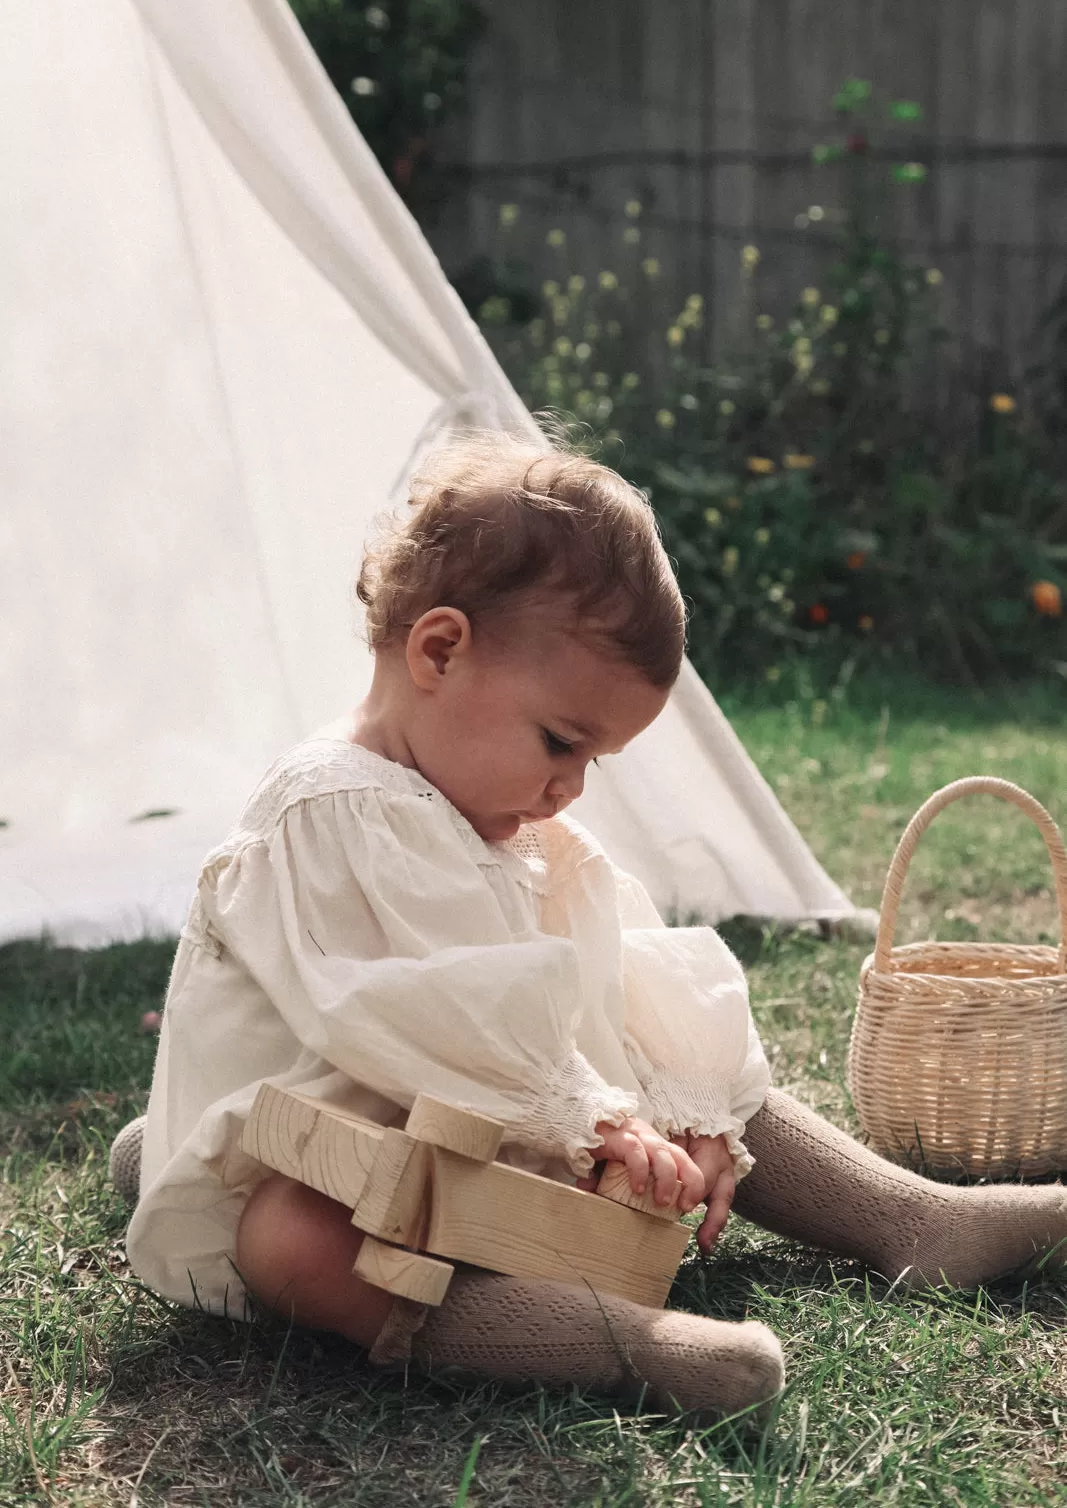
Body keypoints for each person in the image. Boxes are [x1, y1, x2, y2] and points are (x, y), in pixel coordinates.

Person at [113, 432, 1067, 1421]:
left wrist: (682, 1116)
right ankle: (625, 1347)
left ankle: (909, 1216)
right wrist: (599, 1121)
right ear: (438, 649)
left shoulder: (497, 811)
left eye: (592, 761)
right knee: (293, 1236)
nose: (567, 785)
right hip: (350, 1138)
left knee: (683, 1061)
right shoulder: (328, 811)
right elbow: (428, 1018)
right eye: (559, 742)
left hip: (491, 1130)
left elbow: (611, 979)